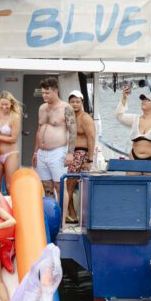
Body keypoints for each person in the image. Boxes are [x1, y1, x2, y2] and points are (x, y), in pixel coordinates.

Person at [32, 76, 77, 199]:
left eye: (47, 93)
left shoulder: (66, 108)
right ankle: (52, 216)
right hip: (42, 152)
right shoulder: (42, 108)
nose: (44, 96)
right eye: (43, 93)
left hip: (58, 152)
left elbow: (73, 131)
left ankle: (62, 218)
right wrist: (35, 152)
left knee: (59, 186)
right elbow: (39, 129)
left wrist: (70, 154)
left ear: (55, 91)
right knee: (47, 186)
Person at [117, 85, 151, 177]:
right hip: (134, 160)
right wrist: (124, 97)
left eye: (147, 100)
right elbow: (119, 116)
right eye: (143, 99)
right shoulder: (135, 119)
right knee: (132, 188)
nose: (144, 101)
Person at [65, 90, 96, 223]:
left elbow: (91, 138)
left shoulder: (85, 118)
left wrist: (89, 159)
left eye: (78, 102)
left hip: (81, 153)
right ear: (68, 103)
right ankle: (72, 215)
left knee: (70, 186)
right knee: (67, 185)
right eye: (72, 102)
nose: (75, 104)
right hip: (70, 154)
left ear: (82, 103)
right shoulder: (69, 117)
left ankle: (67, 213)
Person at [0, 91, 22, 194]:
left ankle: (12, 209)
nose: (4, 107)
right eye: (2, 104)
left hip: (11, 153)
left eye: (6, 104)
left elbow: (13, 138)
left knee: (9, 186)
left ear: (11, 103)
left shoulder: (15, 117)